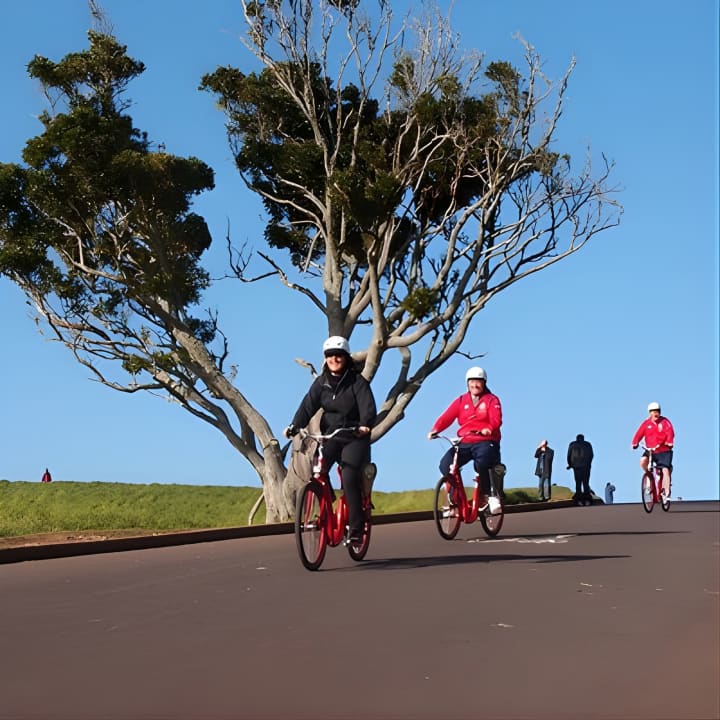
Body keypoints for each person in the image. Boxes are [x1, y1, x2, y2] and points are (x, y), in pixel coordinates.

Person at [284, 336, 377, 543]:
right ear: (325, 358)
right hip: (331, 436)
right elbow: (307, 406)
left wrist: (364, 425)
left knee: (349, 477)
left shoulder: (357, 382)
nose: (334, 359)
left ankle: (356, 529)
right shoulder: (321, 383)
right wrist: (294, 426)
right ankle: (327, 504)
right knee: (318, 470)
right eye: (329, 355)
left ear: (346, 357)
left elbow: (368, 408)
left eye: (338, 355)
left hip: (354, 436)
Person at [427, 366, 502, 509]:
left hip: (485, 441)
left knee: (482, 462)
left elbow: (496, 420)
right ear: (467, 383)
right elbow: (447, 417)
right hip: (465, 441)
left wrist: (489, 429)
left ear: (484, 383)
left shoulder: (491, 400)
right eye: (472, 382)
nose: (475, 385)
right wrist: (435, 430)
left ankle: (488, 495)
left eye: (478, 382)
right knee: (446, 464)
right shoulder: (461, 400)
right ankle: (454, 498)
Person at [631, 401, 675, 501]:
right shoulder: (646, 423)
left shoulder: (665, 422)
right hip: (651, 450)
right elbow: (639, 433)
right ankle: (649, 476)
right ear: (649, 413)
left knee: (665, 470)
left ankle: (666, 492)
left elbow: (670, 433)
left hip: (663, 450)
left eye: (657, 411)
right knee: (643, 461)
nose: (655, 413)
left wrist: (669, 442)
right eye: (653, 411)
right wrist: (635, 442)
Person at [566, 434, 594, 505]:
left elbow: (569, 455)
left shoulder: (572, 444)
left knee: (578, 483)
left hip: (576, 466)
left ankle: (579, 498)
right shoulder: (587, 444)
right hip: (586, 466)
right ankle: (587, 498)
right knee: (585, 482)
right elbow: (591, 455)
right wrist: (589, 463)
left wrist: (570, 464)